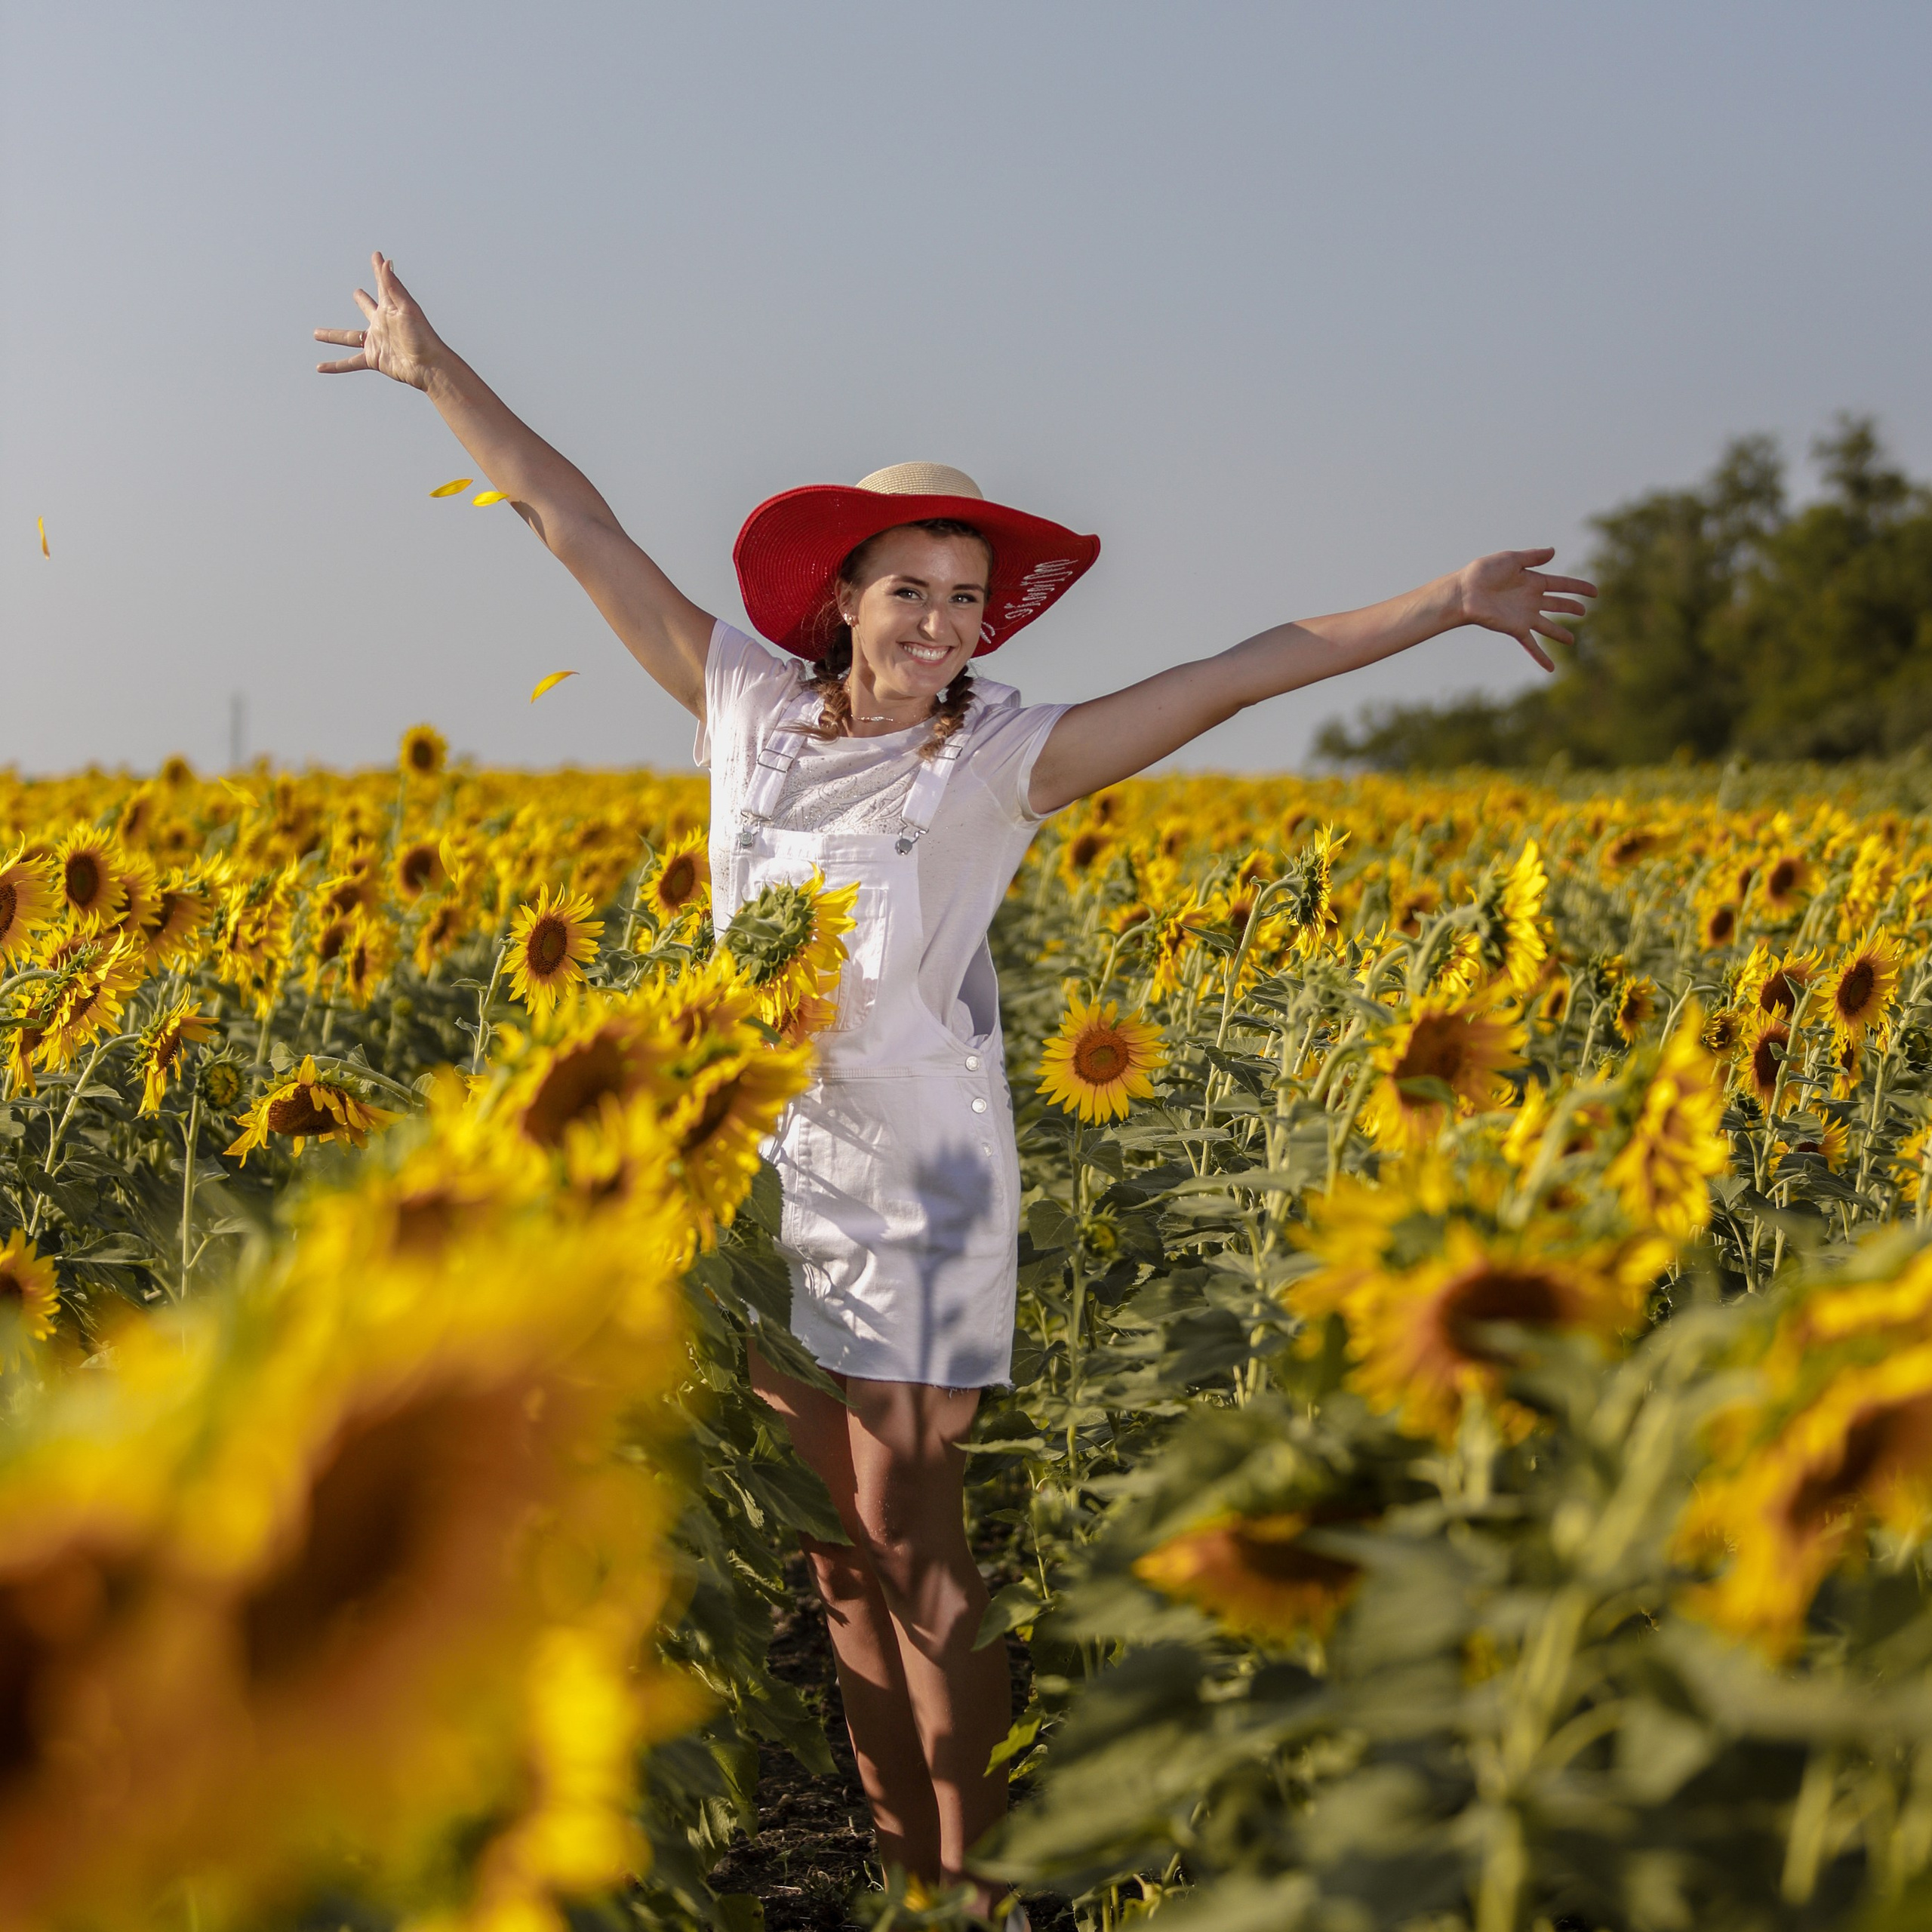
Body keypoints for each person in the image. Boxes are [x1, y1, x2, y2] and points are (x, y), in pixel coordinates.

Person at [315, 252, 1594, 1910]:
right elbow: (573, 522)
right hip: (757, 1170)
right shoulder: (744, 707)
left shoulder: (1000, 758)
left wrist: (1443, 600)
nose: (938, 620)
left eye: (964, 595)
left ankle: (979, 1885)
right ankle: (905, 1877)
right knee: (834, 1558)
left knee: (915, 1542)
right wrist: (431, 369)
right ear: (842, 598)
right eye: (908, 587)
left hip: (920, 1186)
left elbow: (1231, 672)